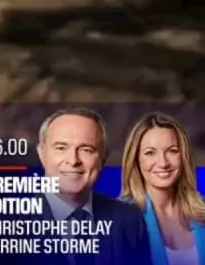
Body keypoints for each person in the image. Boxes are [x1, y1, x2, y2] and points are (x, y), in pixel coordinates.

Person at [32, 107, 153, 265]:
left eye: (86, 150)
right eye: (61, 148)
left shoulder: (128, 219)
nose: (73, 160)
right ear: (42, 154)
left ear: (103, 158)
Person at [119, 112, 205, 265]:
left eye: (172, 151)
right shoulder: (120, 219)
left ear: (184, 156)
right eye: (150, 153)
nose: (163, 162)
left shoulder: (202, 212)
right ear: (136, 160)